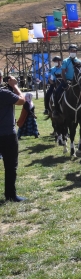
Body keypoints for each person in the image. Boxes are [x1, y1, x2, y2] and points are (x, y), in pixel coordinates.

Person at [0, 71, 27, 202]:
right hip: (7, 134)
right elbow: (22, 100)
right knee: (10, 166)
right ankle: (10, 195)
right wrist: (15, 86)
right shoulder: (4, 93)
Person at [51, 45, 81, 117]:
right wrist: (66, 81)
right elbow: (63, 73)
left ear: (76, 52)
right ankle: (56, 110)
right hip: (67, 81)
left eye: (74, 51)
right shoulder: (65, 61)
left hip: (77, 82)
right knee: (56, 93)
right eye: (71, 50)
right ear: (69, 51)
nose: (73, 52)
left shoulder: (79, 61)